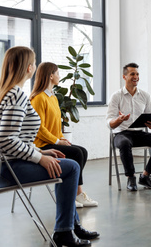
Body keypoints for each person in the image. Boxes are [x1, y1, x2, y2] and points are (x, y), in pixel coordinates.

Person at [0, 46, 99, 247]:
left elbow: (13, 138)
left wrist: (41, 150)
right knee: (71, 167)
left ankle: (72, 225)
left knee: (67, 162)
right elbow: (7, 140)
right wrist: (40, 158)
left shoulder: (7, 92)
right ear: (28, 67)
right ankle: (65, 231)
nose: (35, 66)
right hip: (2, 169)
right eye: (34, 62)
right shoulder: (16, 95)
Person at [30, 62, 98, 208]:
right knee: (76, 153)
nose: (59, 76)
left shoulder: (53, 97)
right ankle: (75, 194)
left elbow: (56, 124)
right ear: (50, 76)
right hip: (43, 145)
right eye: (58, 73)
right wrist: (57, 141)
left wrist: (61, 138)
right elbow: (39, 128)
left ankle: (76, 193)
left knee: (82, 152)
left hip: (54, 141)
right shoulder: (38, 98)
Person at [106, 63, 151, 191]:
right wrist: (119, 120)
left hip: (140, 133)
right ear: (124, 77)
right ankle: (131, 178)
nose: (136, 77)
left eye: (137, 74)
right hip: (121, 134)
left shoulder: (145, 96)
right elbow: (109, 123)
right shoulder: (116, 96)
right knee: (124, 143)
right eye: (132, 74)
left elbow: (150, 122)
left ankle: (146, 175)